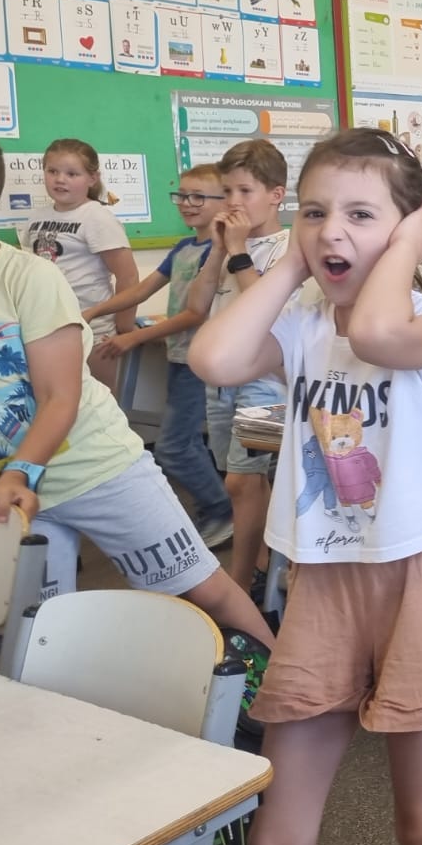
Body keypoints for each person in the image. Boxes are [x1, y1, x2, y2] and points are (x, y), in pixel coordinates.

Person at [189, 128, 422, 845]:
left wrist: (412, 237)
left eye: (360, 214)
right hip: (323, 573)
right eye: (314, 212)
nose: (331, 232)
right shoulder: (303, 325)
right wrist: (291, 263)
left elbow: (379, 334)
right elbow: (213, 359)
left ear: (408, 228)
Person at [0, 134, 267, 648]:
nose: (191, 204)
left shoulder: (27, 273)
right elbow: (149, 288)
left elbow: (61, 396)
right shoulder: (184, 249)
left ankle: (281, 678)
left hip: (99, 465)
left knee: (204, 584)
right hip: (14, 489)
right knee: (40, 630)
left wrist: (127, 332)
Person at [81, 166, 233, 547]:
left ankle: (221, 511)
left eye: (198, 196)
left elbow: (195, 313)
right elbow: (141, 290)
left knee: (174, 447)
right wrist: (93, 311)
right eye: (181, 195)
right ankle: (217, 510)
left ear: (225, 202)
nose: (187, 203)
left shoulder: (219, 252)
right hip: (180, 357)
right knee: (184, 443)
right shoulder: (184, 248)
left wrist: (135, 337)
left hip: (202, 361)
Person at [185, 140, 291, 596]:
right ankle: (264, 565)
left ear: (276, 195)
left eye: (245, 191)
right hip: (222, 379)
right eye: (227, 191)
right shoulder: (227, 245)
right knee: (242, 483)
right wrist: (218, 251)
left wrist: (239, 249)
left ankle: (241, 583)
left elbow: (271, 310)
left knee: (241, 482)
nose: (233, 202)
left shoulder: (288, 246)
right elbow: (196, 306)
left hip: (263, 377)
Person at [19, 138, 139, 396]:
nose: (60, 179)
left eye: (72, 174)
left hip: (92, 330)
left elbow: (128, 277)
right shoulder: (36, 217)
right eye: (52, 171)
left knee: (98, 406)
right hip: (46, 327)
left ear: (92, 178)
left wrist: (124, 329)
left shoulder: (97, 216)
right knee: (54, 402)